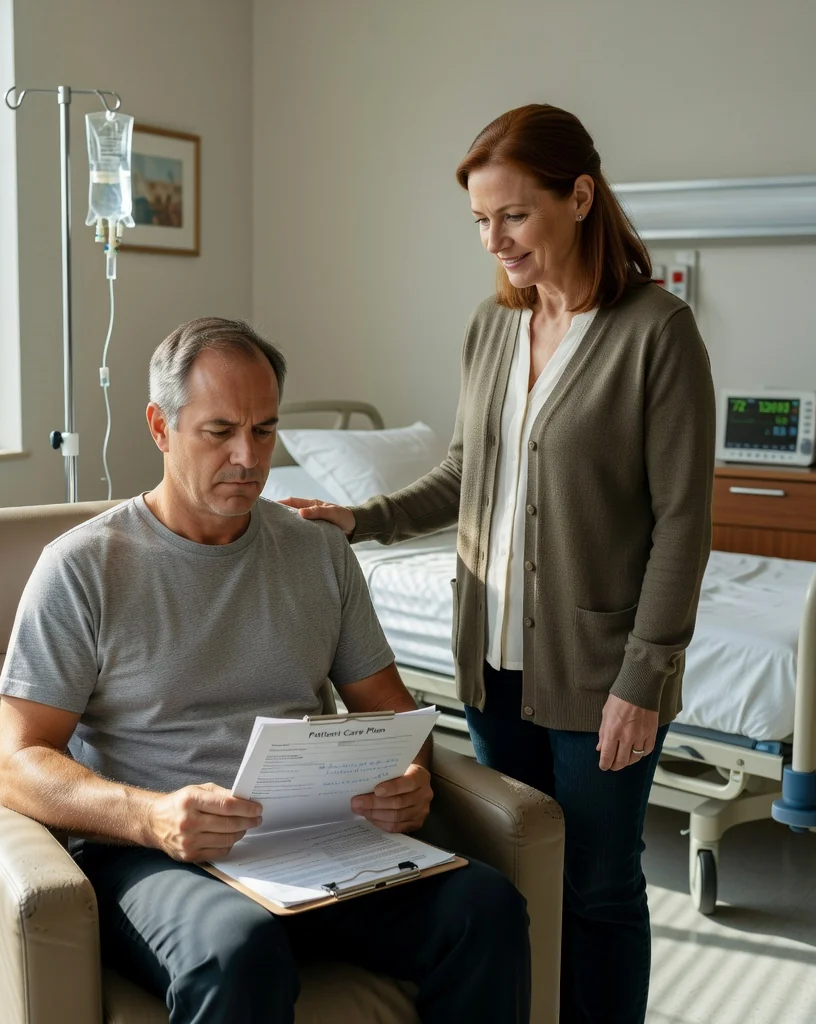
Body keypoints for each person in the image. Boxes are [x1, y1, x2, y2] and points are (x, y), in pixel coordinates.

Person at [284, 105, 716, 1024]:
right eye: (481, 222)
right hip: (491, 666)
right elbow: (464, 472)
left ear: (580, 197)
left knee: (600, 891)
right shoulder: (491, 326)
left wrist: (644, 678)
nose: (495, 239)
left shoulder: (656, 331)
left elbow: (683, 522)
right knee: (516, 872)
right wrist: (364, 517)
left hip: (603, 675)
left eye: (513, 215)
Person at [0, 317, 531, 1024]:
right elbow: (17, 760)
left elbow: (392, 712)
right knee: (239, 951)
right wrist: (152, 816)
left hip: (316, 840)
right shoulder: (84, 567)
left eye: (265, 430)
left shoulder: (318, 551)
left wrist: (409, 778)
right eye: (219, 432)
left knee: (485, 908)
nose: (248, 457)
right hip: (152, 853)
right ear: (160, 426)